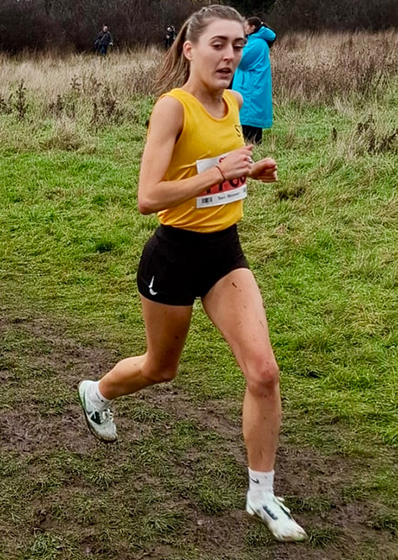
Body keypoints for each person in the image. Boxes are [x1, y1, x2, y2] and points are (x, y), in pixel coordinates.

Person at [75, 5, 308, 543]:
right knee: (160, 369)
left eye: (238, 44)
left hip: (224, 252)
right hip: (174, 256)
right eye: (219, 45)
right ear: (191, 49)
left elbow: (218, 169)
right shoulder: (172, 108)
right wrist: (216, 177)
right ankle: (98, 393)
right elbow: (148, 197)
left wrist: (250, 170)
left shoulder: (235, 102)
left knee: (264, 372)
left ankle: (262, 495)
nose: (231, 55)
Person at [232, 17, 276, 144]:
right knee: (250, 117)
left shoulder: (257, 43)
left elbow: (241, 60)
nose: (243, 28)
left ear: (253, 27)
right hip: (253, 84)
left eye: (246, 26)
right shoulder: (255, 41)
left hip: (251, 86)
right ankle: (253, 142)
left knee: (250, 116)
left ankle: (252, 143)